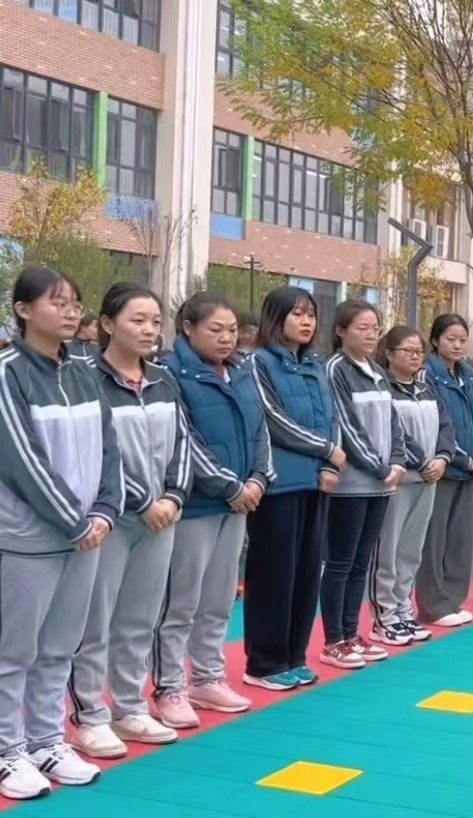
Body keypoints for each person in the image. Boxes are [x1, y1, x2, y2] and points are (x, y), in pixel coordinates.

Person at [0, 267, 124, 799]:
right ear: (24, 310)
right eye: (58, 303)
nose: (72, 312)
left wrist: (104, 511)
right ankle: (7, 750)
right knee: (14, 649)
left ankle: (47, 739)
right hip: (30, 536)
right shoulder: (8, 372)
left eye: (76, 303)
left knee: (60, 647)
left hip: (86, 535)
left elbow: (109, 447)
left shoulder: (83, 371)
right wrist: (74, 521)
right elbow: (19, 460)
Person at [69, 283, 190, 760]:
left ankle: (129, 706)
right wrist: (143, 501)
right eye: (137, 320)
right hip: (112, 519)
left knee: (140, 618)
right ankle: (90, 717)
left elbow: (183, 442)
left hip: (163, 518)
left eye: (155, 321)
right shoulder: (85, 379)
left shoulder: (163, 378)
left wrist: (175, 496)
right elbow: (99, 452)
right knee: (95, 622)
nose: (148, 329)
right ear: (106, 324)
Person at [153, 292, 274, 729]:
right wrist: (229, 487)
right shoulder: (170, 373)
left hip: (241, 501)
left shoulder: (242, 371)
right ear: (188, 328)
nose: (226, 339)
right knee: (180, 601)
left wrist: (259, 479)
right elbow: (184, 440)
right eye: (215, 330)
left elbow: (260, 429)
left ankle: (207, 675)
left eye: (231, 331)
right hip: (198, 505)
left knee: (220, 599)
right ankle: (169, 686)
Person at [245, 286, 345, 690]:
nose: (306, 322)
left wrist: (330, 462)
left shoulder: (315, 364)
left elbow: (331, 415)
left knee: (306, 572)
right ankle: (264, 663)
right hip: (280, 485)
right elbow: (271, 418)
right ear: (276, 318)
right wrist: (326, 449)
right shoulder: (259, 362)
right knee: (275, 573)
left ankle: (293, 655)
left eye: (311, 315)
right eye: (297, 314)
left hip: (316, 482)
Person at [322, 300, 407, 669]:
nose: (371, 334)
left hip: (381, 481)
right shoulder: (335, 369)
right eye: (362, 327)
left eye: (375, 328)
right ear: (341, 331)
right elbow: (346, 426)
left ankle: (352, 632)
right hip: (352, 482)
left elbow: (393, 419)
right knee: (340, 562)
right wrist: (376, 465)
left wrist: (398, 460)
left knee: (362, 562)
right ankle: (333, 640)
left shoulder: (376, 370)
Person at [370, 325, 455, 645]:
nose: (416, 355)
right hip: (401, 479)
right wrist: (422, 462)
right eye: (407, 350)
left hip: (430, 478)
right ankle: (386, 614)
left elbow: (447, 427)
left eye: (419, 350)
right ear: (389, 354)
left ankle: (404, 608)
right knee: (388, 550)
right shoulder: (384, 389)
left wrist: (443, 458)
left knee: (411, 550)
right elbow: (396, 434)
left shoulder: (427, 388)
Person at [418, 314, 473, 628]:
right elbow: (438, 424)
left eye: (462, 339)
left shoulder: (469, 375)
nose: (458, 345)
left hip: (472, 469)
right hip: (445, 468)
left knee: (460, 539)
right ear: (435, 341)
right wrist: (463, 460)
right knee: (435, 541)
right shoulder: (428, 375)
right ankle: (433, 604)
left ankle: (453, 599)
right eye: (451, 339)